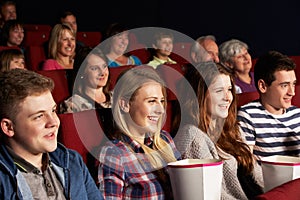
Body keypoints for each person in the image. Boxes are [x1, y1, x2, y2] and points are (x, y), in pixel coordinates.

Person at [0, 69, 104, 199]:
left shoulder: (72, 161)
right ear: (8, 127)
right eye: (39, 116)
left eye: (53, 110)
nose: (54, 122)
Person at [172, 62, 263, 199]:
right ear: (199, 95)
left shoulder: (233, 129)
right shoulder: (192, 135)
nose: (228, 97)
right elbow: (214, 194)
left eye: (229, 89)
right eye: (219, 91)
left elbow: (257, 174)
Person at [97, 67, 181, 199]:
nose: (160, 110)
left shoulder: (165, 139)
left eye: (162, 101)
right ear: (125, 104)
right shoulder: (115, 154)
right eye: (152, 101)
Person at [237, 50, 300, 161]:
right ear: (263, 86)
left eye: (293, 84)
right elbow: (247, 166)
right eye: (284, 85)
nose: (292, 92)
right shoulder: (248, 116)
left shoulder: (297, 114)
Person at [59, 46, 112, 113]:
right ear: (81, 73)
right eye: (94, 68)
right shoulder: (73, 105)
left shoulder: (117, 98)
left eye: (104, 66)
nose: (102, 72)